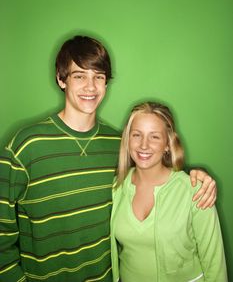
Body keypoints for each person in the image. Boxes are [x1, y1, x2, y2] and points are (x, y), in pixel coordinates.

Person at [0, 36, 216, 282]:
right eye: (80, 76)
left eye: (99, 77)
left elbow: (156, 173)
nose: (91, 87)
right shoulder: (25, 146)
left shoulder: (119, 145)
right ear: (61, 80)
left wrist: (198, 177)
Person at [111, 101, 228, 282]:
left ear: (167, 144)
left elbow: (215, 263)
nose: (143, 145)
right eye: (136, 135)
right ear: (127, 140)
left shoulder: (196, 190)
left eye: (154, 137)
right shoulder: (117, 187)